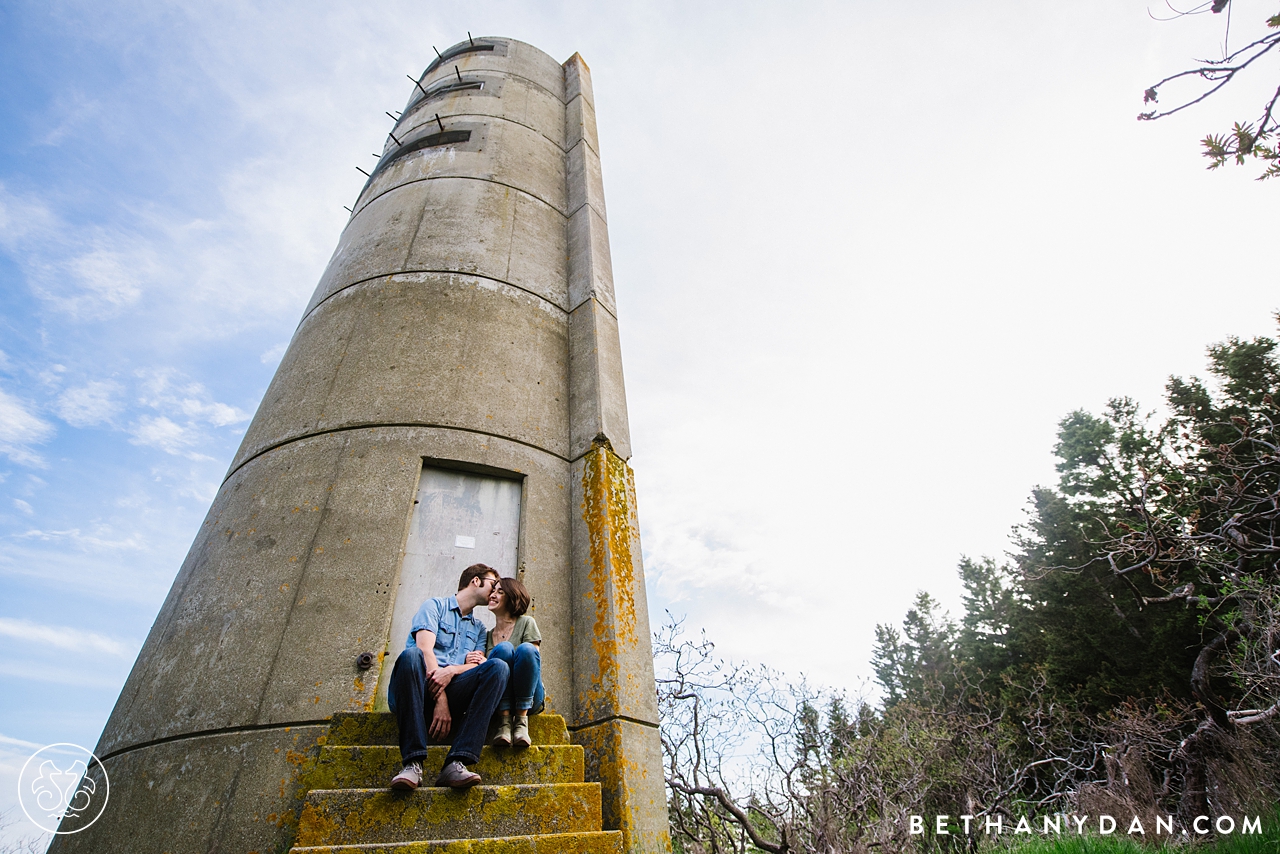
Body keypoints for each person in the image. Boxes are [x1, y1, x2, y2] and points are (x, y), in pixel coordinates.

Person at [387, 563, 508, 790]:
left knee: (498, 667)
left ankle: (457, 761)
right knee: (411, 655)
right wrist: (440, 699)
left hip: (454, 688)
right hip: (415, 688)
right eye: (493, 584)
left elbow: (477, 665)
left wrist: (452, 670)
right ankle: (412, 763)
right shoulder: (434, 606)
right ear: (475, 581)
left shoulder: (480, 629)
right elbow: (425, 649)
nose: (495, 592)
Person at [478, 576, 544, 749]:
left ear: (512, 597)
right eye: (493, 591)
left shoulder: (526, 623)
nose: (493, 595)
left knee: (525, 649)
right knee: (503, 651)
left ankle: (521, 723)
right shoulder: (486, 636)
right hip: (499, 698)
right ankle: (505, 723)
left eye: (500, 592)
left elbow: (532, 661)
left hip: (529, 697)